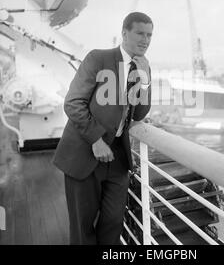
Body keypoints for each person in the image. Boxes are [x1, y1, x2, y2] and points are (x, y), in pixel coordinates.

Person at [53, 12, 153, 245]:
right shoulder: (98, 58)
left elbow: (139, 113)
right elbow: (73, 103)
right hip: (85, 153)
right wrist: (96, 140)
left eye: (149, 35)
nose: (145, 40)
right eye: (140, 33)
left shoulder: (143, 66)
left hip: (118, 157)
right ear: (125, 33)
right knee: (82, 228)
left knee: (112, 222)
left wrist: (145, 80)